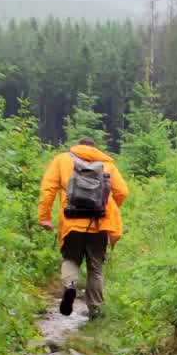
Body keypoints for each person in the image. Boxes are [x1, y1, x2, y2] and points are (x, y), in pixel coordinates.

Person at [38, 137, 128, 319]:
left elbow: (48, 188)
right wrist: (106, 207)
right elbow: (122, 191)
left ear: (77, 146)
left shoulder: (62, 159)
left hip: (71, 221)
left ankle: (70, 286)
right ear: (95, 149)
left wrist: (45, 217)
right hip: (99, 223)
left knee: (70, 259)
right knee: (95, 267)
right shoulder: (106, 163)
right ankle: (95, 310)